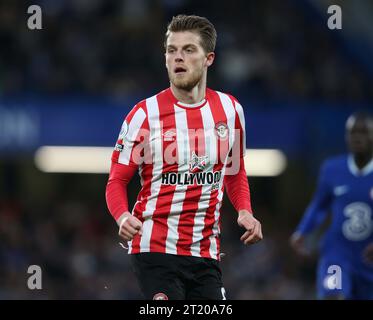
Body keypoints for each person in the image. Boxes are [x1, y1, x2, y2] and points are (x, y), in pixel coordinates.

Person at [105, 14, 262, 300]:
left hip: (206, 254)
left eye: (189, 50)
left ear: (208, 58)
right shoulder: (144, 115)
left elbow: (234, 171)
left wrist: (245, 210)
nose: (178, 57)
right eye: (171, 50)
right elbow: (116, 180)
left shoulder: (230, 111)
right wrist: (122, 215)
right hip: (154, 250)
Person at [290, 112, 373, 300]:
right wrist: (302, 231)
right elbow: (319, 205)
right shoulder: (332, 169)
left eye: (364, 132)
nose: (357, 137)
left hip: (368, 258)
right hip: (338, 252)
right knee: (333, 296)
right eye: (353, 133)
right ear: (346, 137)